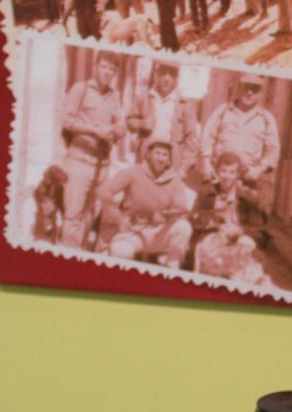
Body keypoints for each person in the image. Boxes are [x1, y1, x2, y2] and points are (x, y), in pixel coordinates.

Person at [201, 73, 281, 246]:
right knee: (206, 219)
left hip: (247, 177)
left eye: (255, 89)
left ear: (261, 92)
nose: (249, 92)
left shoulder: (266, 118)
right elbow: (208, 137)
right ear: (239, 87)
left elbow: (273, 150)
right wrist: (206, 163)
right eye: (246, 87)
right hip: (220, 174)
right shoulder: (222, 111)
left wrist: (259, 169)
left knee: (250, 228)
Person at [96, 138, 194, 268]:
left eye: (165, 155)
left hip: (158, 233)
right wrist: (119, 218)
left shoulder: (175, 180)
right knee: (120, 251)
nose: (161, 158)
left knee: (184, 227)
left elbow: (181, 208)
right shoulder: (133, 172)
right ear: (148, 155)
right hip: (133, 233)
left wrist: (165, 216)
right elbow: (103, 191)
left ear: (169, 160)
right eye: (157, 153)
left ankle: (172, 268)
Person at [59, 50, 123, 249]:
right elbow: (66, 121)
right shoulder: (81, 89)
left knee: (91, 214)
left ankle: (82, 253)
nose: (107, 72)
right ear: (96, 66)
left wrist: (116, 132)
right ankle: (69, 254)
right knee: (73, 214)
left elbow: (120, 125)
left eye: (111, 69)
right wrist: (93, 130)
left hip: (102, 165)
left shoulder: (114, 96)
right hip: (79, 161)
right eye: (103, 67)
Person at [125, 61, 200, 181]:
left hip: (171, 164)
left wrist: (183, 169)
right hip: (145, 160)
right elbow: (130, 121)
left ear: (177, 78)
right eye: (163, 73)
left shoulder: (185, 104)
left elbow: (191, 140)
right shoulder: (144, 97)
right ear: (157, 74)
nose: (167, 78)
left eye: (171, 75)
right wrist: (142, 124)